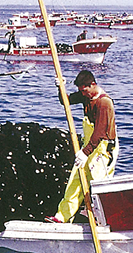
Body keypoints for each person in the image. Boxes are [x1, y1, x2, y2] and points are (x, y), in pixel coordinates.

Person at [47, 70, 118, 224]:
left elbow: (100, 132)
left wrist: (85, 153)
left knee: (99, 183)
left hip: (102, 148)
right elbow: (65, 101)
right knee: (76, 179)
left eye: (84, 90)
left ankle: (103, 219)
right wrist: (61, 88)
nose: (82, 94)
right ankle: (62, 217)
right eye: (80, 91)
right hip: (89, 145)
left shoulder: (104, 103)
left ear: (92, 84)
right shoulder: (85, 96)